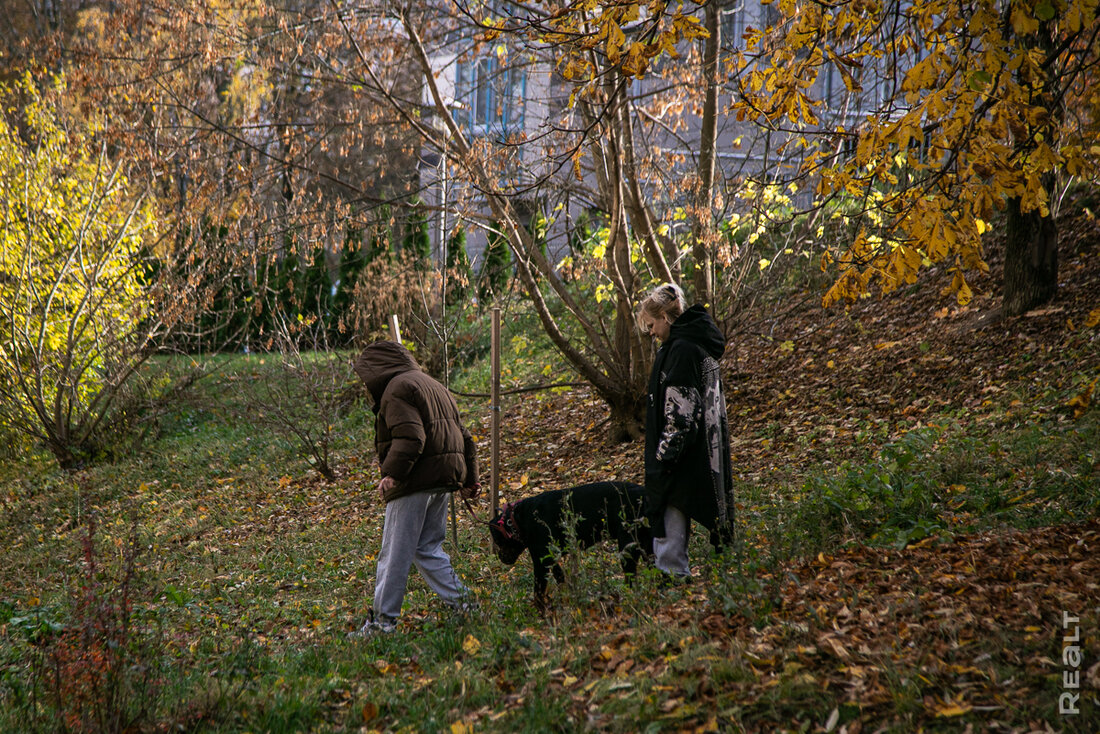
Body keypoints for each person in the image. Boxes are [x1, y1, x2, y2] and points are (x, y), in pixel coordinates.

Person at [349, 340, 480, 637]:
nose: (364, 383)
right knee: (427, 548)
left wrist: (393, 474)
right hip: (441, 480)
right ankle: (466, 605)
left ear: (377, 370)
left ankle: (383, 624)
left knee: (394, 554)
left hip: (414, 481)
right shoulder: (434, 385)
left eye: (365, 375)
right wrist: (470, 479)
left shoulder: (397, 388)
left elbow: (412, 437)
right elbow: (465, 437)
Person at [638, 283, 735, 579]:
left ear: (666, 317)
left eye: (652, 325)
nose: (651, 332)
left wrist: (662, 460)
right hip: (704, 449)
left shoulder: (682, 351)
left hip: (685, 455)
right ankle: (687, 575)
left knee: (670, 510)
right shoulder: (689, 344)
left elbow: (681, 416)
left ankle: (672, 579)